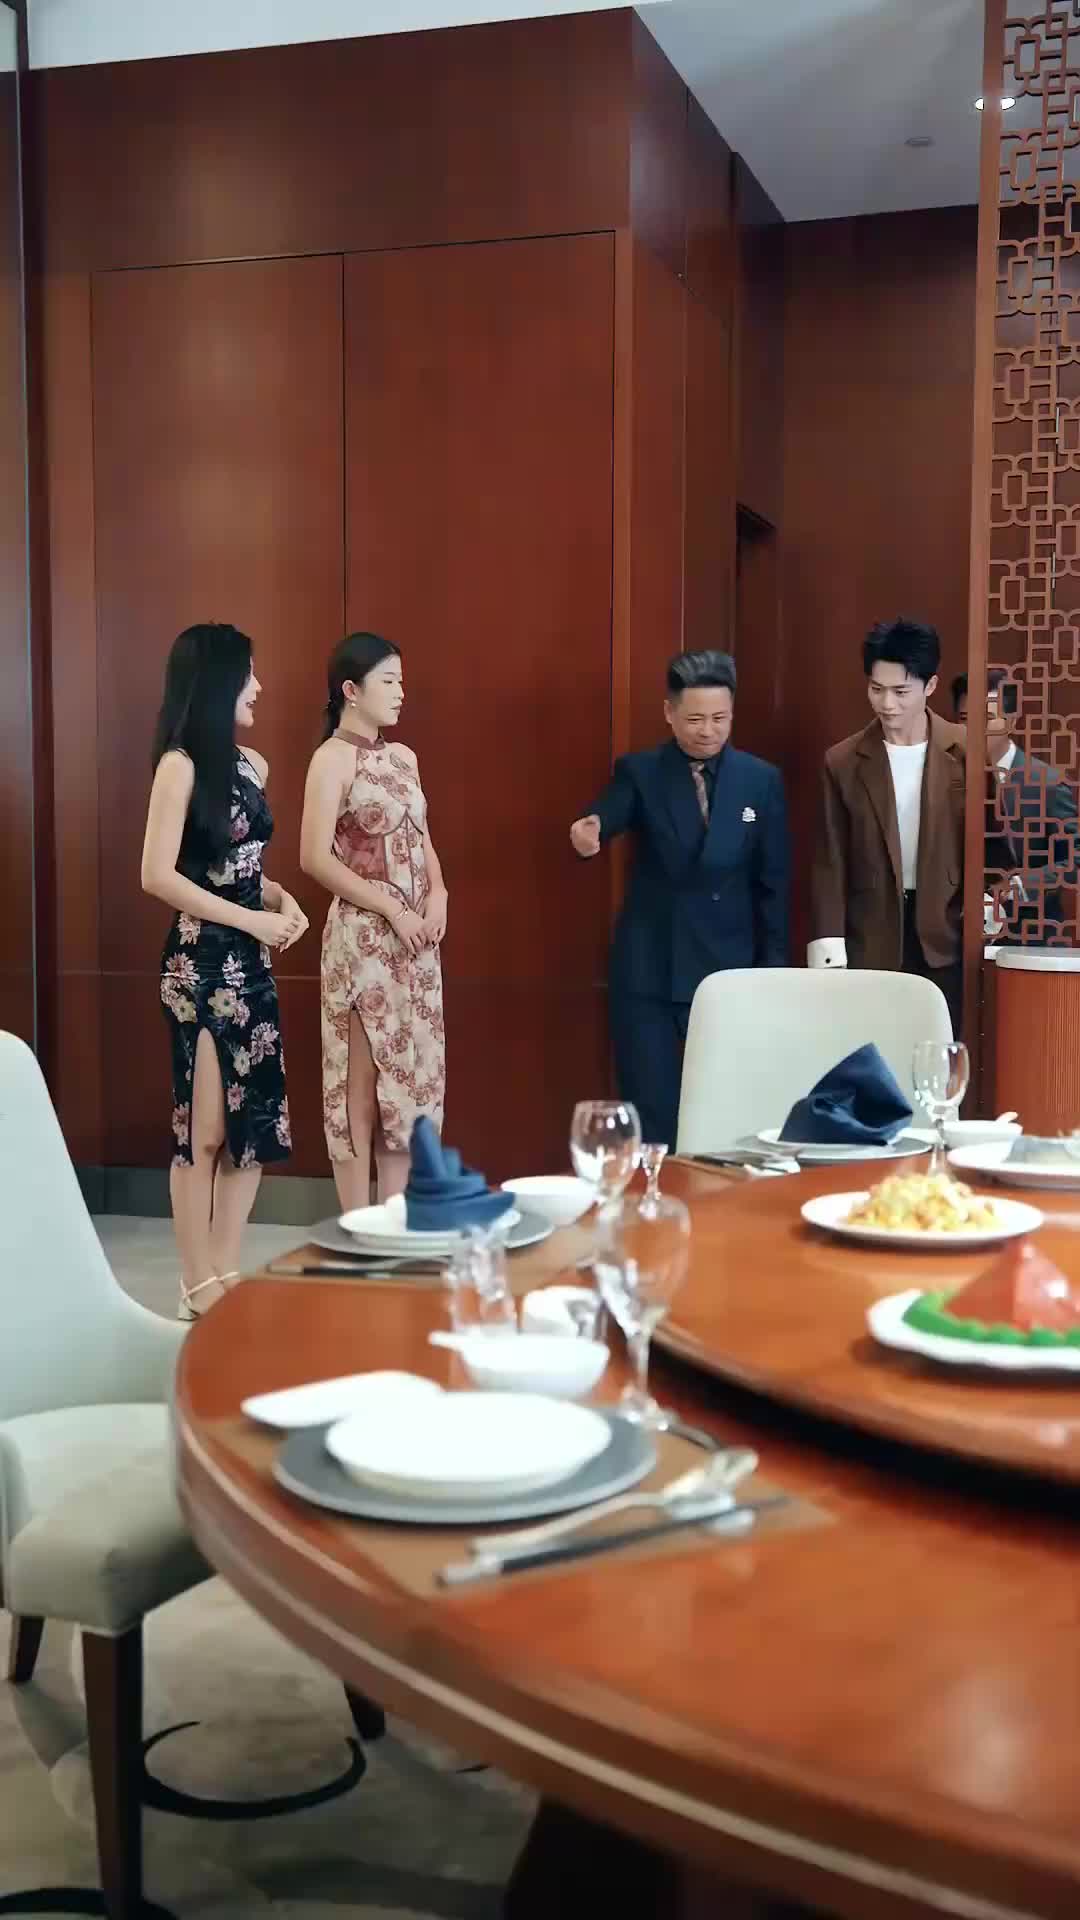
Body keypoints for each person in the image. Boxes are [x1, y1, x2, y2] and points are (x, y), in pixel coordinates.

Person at [141, 623, 308, 1319]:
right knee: (202, 1130)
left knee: (254, 1127)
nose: (258, 687)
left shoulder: (252, 766)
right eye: (248, 675)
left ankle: (225, 1269)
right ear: (217, 683)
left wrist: (281, 902)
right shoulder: (178, 766)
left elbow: (243, 872)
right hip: (199, 966)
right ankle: (195, 1281)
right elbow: (157, 875)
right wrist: (250, 920)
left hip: (251, 962)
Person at [570, 649, 788, 1147]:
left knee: (727, 1112)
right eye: (694, 719)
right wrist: (591, 829)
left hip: (730, 973)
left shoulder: (760, 780)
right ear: (669, 713)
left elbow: (773, 886)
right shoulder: (641, 772)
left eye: (719, 718)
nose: (708, 731)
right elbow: (611, 811)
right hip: (653, 970)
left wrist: (772, 975)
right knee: (655, 1115)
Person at [300, 632, 446, 1211]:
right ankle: (358, 1226)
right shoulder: (331, 759)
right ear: (351, 690)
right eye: (389, 681)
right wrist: (392, 908)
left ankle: (395, 1220)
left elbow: (422, 840)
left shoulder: (404, 757)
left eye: (401, 681)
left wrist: (439, 895)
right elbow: (314, 858)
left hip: (416, 941)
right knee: (360, 1086)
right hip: (363, 942)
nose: (401, 692)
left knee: (409, 1086)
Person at [809, 617, 965, 1029]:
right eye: (876, 689)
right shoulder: (843, 761)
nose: (887, 704)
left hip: (947, 936)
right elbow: (829, 862)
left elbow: (993, 845)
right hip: (871, 937)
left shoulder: (967, 752)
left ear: (930, 686)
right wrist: (829, 950)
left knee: (939, 1051)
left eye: (900, 691)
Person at [953, 669, 1079, 938]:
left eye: (987, 719)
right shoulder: (946, 778)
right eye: (964, 719)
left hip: (1029, 933)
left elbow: (1075, 858)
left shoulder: (1046, 784)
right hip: (956, 936)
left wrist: (1018, 886)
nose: (973, 730)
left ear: (1011, 721)